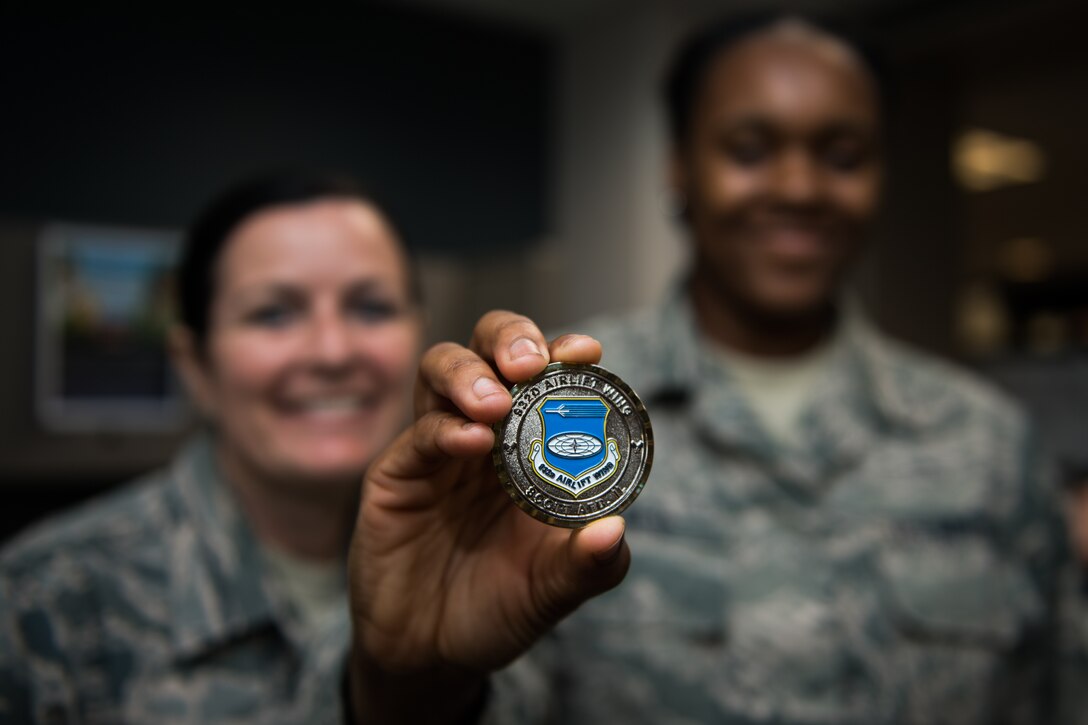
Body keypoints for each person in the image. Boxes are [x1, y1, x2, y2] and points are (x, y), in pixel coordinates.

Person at [343, 12, 1083, 725]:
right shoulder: (539, 416)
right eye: (750, 148)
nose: (798, 188)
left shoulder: (990, 444)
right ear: (678, 166)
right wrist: (416, 687)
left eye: (843, 154)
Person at [0, 171, 424, 722]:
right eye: (273, 313)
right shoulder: (40, 609)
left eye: (371, 308)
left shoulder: (481, 574)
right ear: (195, 365)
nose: (332, 350)